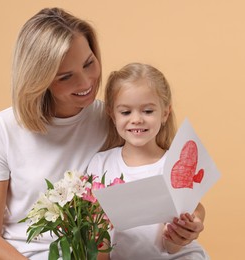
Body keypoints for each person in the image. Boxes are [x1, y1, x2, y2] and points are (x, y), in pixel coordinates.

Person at [0, 8, 206, 260]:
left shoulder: (115, 118)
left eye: (88, 63)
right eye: (65, 77)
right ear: (39, 80)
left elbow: (164, 189)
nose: (86, 83)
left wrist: (187, 227)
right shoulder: (3, 128)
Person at [87, 62, 209, 259]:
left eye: (148, 111)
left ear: (165, 113)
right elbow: (96, 235)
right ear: (112, 114)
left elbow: (172, 244)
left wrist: (184, 231)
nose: (137, 119)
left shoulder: (173, 165)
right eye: (126, 112)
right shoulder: (100, 165)